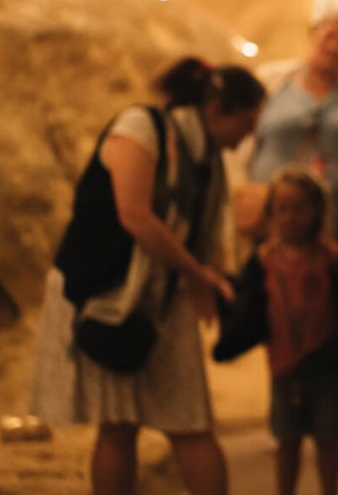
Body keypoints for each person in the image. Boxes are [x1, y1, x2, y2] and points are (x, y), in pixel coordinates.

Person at [30, 57, 266, 495]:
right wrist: (198, 275)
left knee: (187, 422)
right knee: (121, 426)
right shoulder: (140, 128)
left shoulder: (202, 157)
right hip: (107, 293)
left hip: (159, 296)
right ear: (219, 110)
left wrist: (199, 275)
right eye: (248, 122)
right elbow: (135, 217)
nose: (248, 135)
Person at [237, 11, 338, 253]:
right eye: (329, 37)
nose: (334, 47)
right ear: (312, 36)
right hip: (268, 222)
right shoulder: (271, 82)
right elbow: (242, 143)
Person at [250, 166, 338, 495]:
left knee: (328, 440)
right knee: (286, 440)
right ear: (271, 213)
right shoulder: (263, 260)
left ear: (316, 212)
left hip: (325, 367)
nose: (290, 217)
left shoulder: (333, 258)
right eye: (282, 208)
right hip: (283, 366)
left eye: (299, 208)